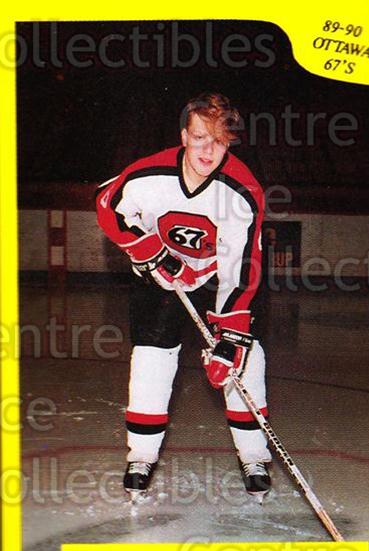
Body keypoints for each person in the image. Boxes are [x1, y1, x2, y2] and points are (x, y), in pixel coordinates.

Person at [96, 92, 272, 502]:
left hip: (216, 276)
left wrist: (231, 337)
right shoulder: (148, 174)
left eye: (219, 140)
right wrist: (149, 250)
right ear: (183, 137)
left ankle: (254, 456)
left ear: (229, 143)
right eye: (199, 138)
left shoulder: (241, 191)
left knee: (244, 361)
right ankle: (141, 455)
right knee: (151, 357)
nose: (207, 150)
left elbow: (241, 268)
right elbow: (108, 204)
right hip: (160, 275)